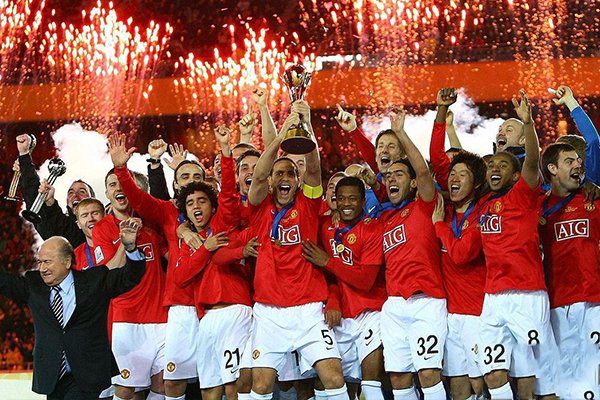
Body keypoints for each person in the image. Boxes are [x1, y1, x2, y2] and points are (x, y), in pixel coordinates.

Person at [247, 101, 347, 400]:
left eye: (290, 174)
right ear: (270, 181)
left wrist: (306, 125)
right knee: (261, 385)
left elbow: (314, 168)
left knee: (333, 377)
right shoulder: (258, 207)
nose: (284, 178)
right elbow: (260, 173)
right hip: (269, 311)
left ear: (298, 181)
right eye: (279, 174)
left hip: (308, 310)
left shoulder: (308, 204)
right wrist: (282, 136)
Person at [0, 219, 147, 399]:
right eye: (40, 262)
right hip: (52, 377)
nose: (42, 268)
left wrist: (131, 248)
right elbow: (4, 281)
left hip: (87, 374)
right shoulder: (33, 285)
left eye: (47, 262)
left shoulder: (94, 281)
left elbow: (130, 277)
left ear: (67, 261)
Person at [478, 90, 557, 400]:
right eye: (491, 166)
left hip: (527, 294)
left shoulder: (523, 196)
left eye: (502, 166)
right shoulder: (483, 205)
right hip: (492, 297)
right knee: (492, 371)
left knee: (533, 375)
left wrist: (528, 124)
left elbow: (533, 160)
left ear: (515, 176)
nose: (494, 169)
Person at [376, 111, 447, 400]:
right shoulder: (383, 218)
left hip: (426, 301)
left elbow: (424, 171)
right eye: (388, 176)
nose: (391, 179)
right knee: (398, 376)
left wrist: (401, 134)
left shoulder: (424, 206)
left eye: (399, 175)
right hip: (394, 304)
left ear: (413, 182)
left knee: (428, 373)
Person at [302, 176, 387, 400]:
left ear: (363, 201)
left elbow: (366, 280)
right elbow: (327, 278)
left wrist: (328, 262)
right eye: (341, 199)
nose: (346, 204)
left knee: (370, 382)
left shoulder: (372, 228)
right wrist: (333, 300)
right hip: (339, 315)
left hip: (371, 312)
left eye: (352, 199)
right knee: (329, 383)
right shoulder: (325, 226)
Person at [92, 158, 169, 400]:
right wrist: (126, 243)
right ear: (107, 194)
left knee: (162, 385)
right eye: (112, 184)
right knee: (126, 390)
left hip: (161, 315)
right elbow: (107, 273)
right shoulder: (102, 228)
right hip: (126, 319)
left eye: (123, 183)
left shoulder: (152, 222)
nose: (118, 188)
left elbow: (170, 253)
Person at [429, 89, 487, 399]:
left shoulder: (481, 214)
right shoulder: (448, 208)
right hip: (450, 313)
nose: (453, 178)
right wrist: (440, 111)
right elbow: (437, 157)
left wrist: (439, 225)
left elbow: (462, 254)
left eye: (462, 174)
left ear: (476, 183)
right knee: (458, 383)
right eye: (452, 174)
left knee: (482, 384)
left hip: (478, 312)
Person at [539, 142, 600, 399]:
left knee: (594, 370)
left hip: (593, 300)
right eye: (570, 161)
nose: (578, 164)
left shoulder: (592, 199)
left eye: (578, 160)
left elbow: (594, 142)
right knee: (566, 376)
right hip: (556, 302)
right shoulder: (537, 207)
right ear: (552, 169)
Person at [551, 85, 600, 185]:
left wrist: (570, 101)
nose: (551, 163)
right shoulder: (545, 189)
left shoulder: (589, 184)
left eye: (568, 161)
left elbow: (593, 141)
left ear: (579, 162)